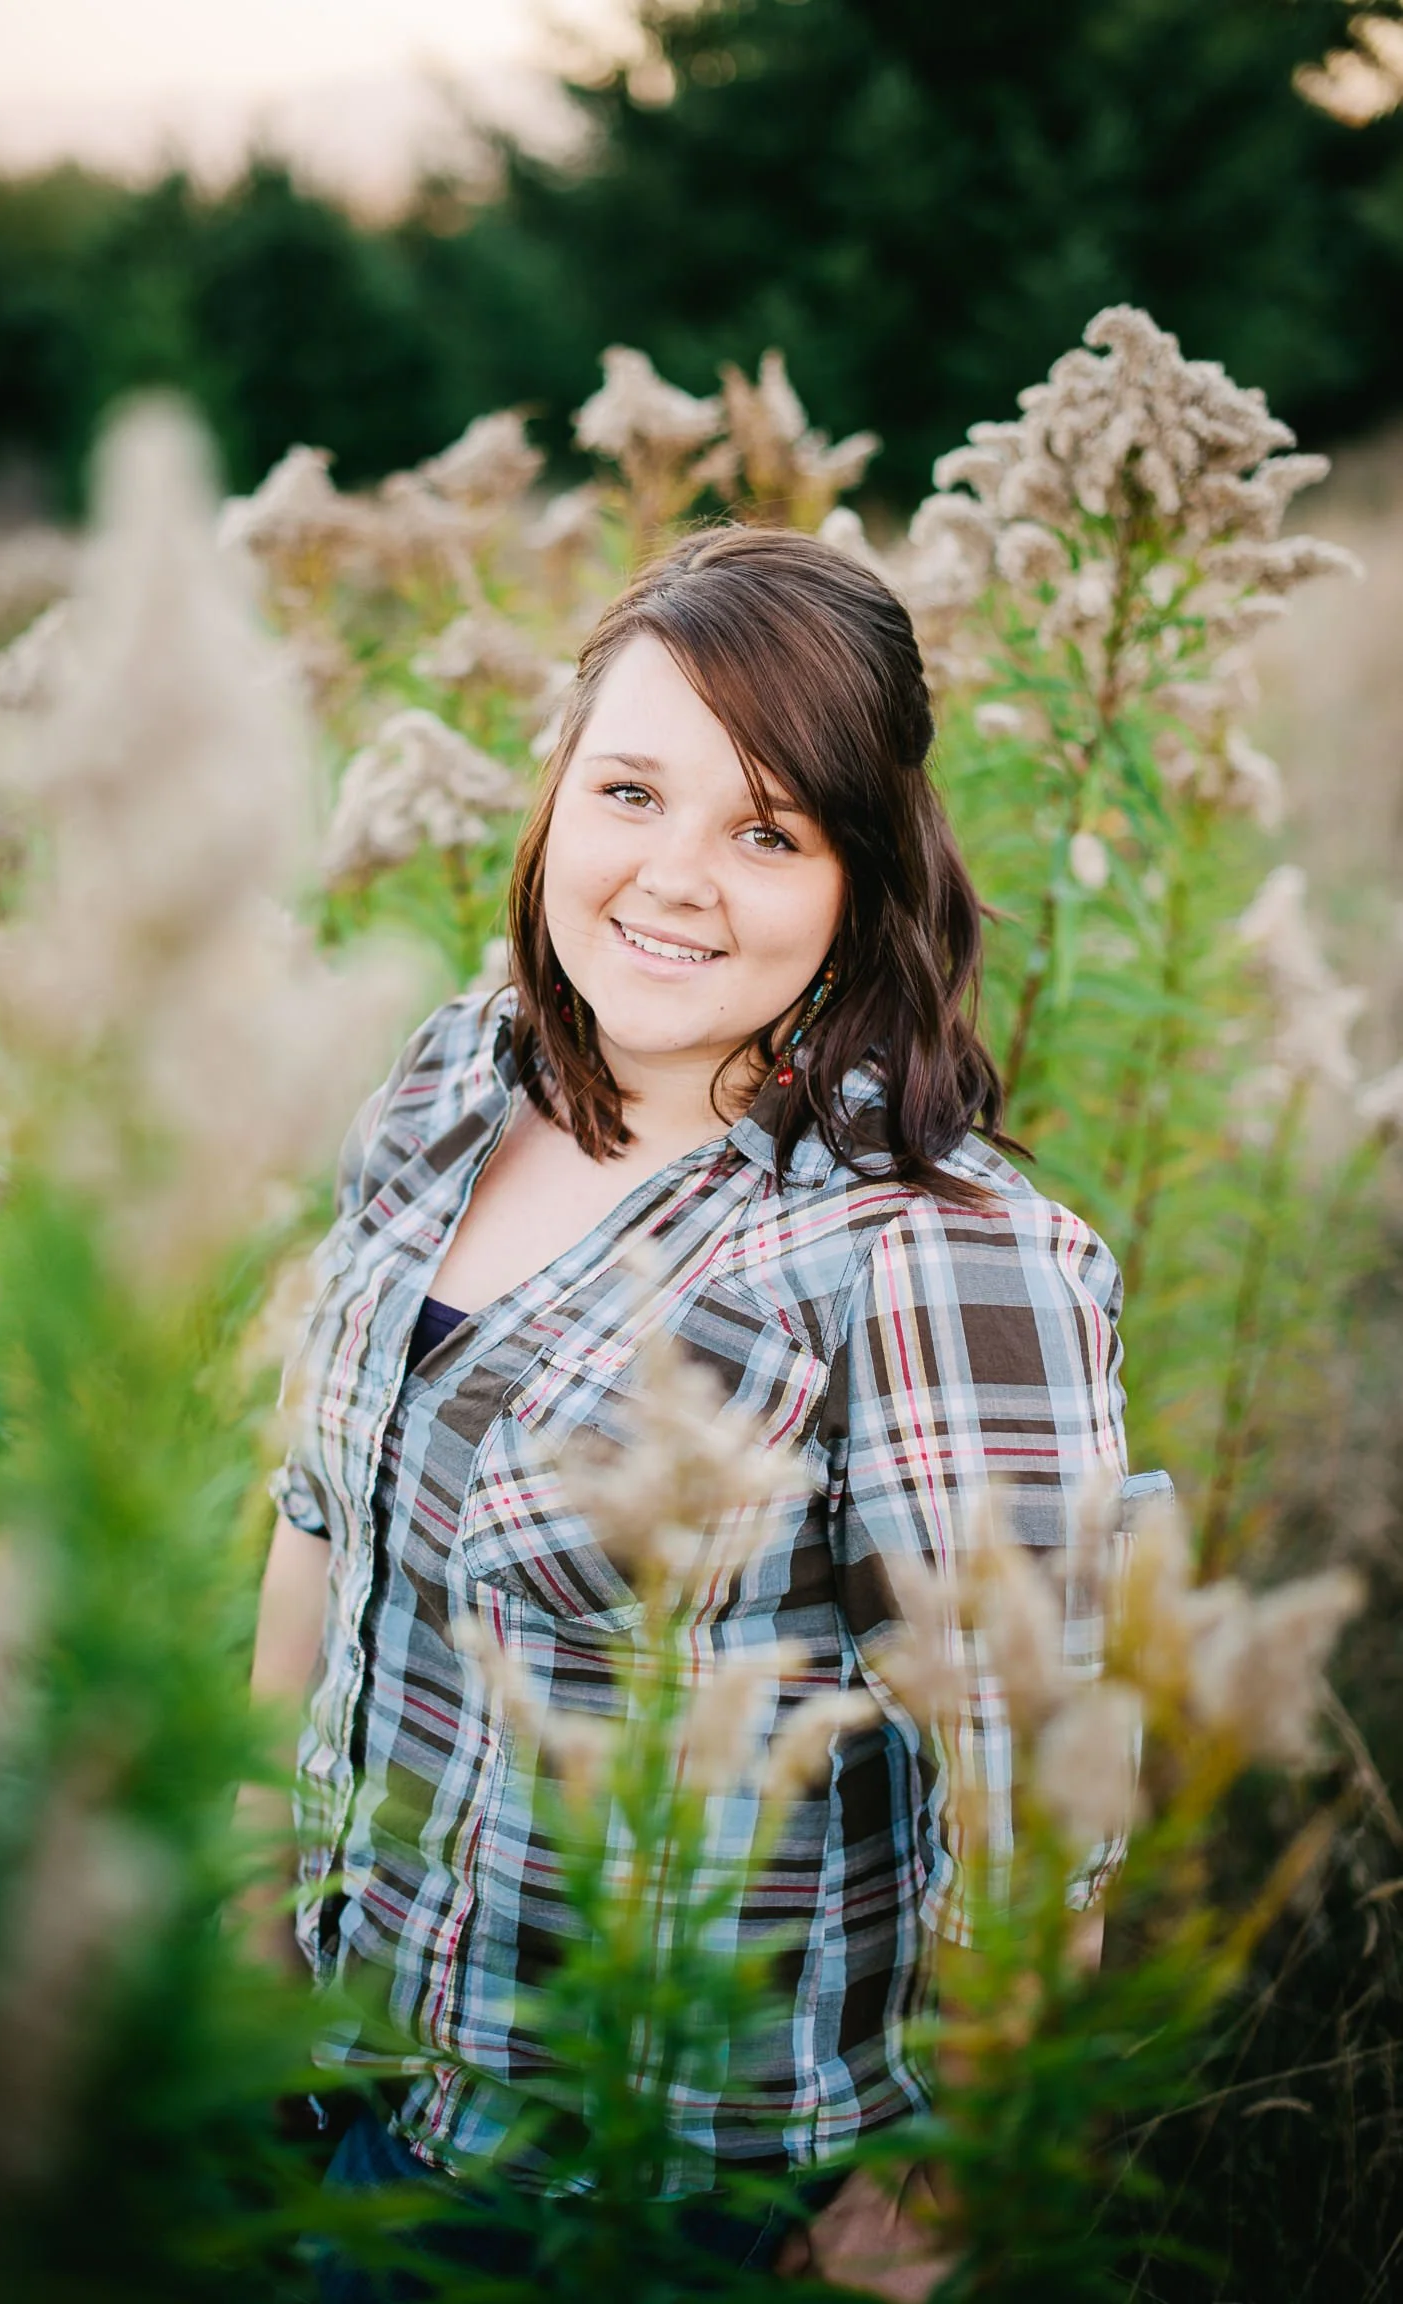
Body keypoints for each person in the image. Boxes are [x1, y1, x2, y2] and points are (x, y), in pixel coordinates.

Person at [247, 526, 1134, 2296]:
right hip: (343, 2100)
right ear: (558, 797)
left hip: (661, 2201)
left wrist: (945, 2195)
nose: (674, 877)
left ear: (860, 880)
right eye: (631, 791)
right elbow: (316, 1517)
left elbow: (1034, 1788)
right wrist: (245, 1900)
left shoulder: (927, 1254)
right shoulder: (455, 1075)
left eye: (768, 830)